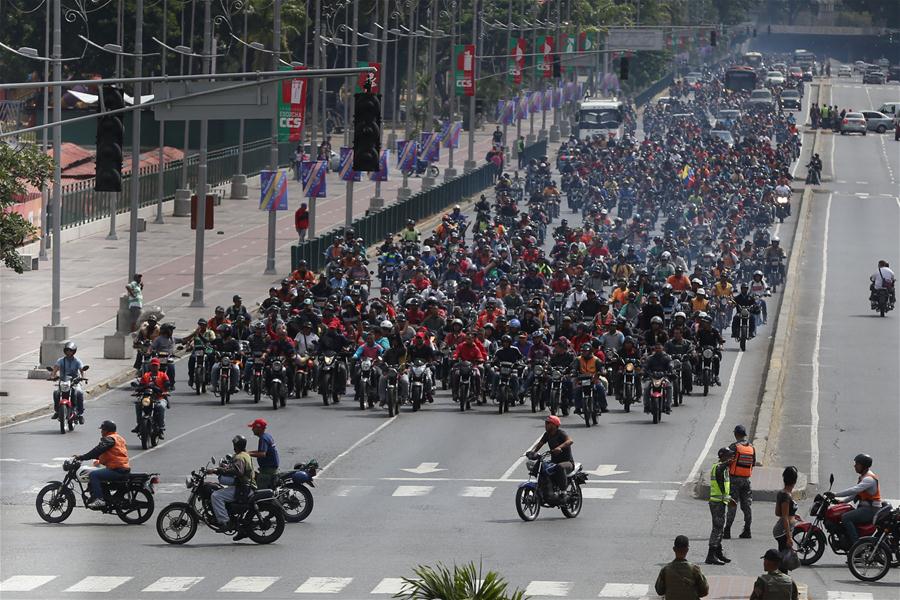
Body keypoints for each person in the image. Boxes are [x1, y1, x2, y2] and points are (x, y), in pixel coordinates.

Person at [208, 435, 256, 541]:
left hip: (243, 488)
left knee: (216, 496)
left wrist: (218, 471)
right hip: (244, 485)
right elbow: (235, 468)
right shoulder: (244, 454)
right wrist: (223, 468)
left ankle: (225, 522)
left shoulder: (240, 457)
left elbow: (238, 471)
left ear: (236, 445)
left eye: (234, 445)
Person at [827, 453, 882, 546]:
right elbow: (856, 494)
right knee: (845, 512)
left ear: (863, 466)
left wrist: (835, 494)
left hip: (871, 510)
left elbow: (854, 490)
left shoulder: (869, 479)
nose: (855, 466)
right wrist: (841, 501)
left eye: (857, 464)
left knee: (846, 517)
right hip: (865, 508)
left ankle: (856, 544)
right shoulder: (864, 477)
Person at [73, 420, 130, 509]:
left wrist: (82, 457)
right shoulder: (119, 438)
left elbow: (97, 450)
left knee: (94, 475)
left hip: (117, 469)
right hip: (122, 467)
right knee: (99, 474)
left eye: (102, 429)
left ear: (107, 430)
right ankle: (104, 495)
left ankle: (99, 499)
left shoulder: (109, 439)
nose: (101, 431)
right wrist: (99, 460)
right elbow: (115, 454)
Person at [529, 415, 574, 504]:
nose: (546, 425)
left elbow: (570, 441)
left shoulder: (561, 433)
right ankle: (543, 488)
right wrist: (533, 452)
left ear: (554, 425)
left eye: (548, 423)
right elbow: (540, 443)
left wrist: (559, 448)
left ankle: (563, 492)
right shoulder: (547, 435)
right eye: (546, 423)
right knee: (540, 466)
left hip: (567, 463)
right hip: (554, 462)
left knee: (559, 467)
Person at [654, 535, 710, 600]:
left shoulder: (665, 570)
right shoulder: (695, 569)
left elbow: (659, 591)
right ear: (687, 550)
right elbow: (704, 591)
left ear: (674, 549)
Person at [725, 424, 755, 540]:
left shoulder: (734, 447)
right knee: (747, 506)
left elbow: (726, 460)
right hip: (746, 481)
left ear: (736, 434)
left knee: (732, 505)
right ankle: (747, 530)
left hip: (734, 480)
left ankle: (727, 530)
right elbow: (753, 463)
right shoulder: (751, 447)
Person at [707, 447, 735, 565]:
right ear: (722, 456)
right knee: (717, 529)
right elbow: (719, 471)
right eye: (728, 456)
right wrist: (726, 463)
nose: (731, 457)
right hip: (717, 502)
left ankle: (718, 553)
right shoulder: (719, 467)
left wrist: (728, 498)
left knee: (719, 528)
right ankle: (711, 555)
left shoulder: (724, 468)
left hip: (721, 502)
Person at [133, 357, 169, 437]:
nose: (154, 367)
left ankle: (161, 427)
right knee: (138, 404)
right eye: (153, 366)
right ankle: (139, 424)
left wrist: (165, 389)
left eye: (156, 366)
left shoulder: (163, 375)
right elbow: (141, 385)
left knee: (160, 407)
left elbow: (167, 384)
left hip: (159, 398)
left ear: (159, 366)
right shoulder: (146, 375)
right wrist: (138, 389)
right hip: (147, 398)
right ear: (150, 366)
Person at [50, 341, 86, 421]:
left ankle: (79, 413)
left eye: (70, 350)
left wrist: (82, 377)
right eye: (67, 350)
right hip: (63, 381)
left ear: (74, 351)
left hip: (75, 382)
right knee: (56, 393)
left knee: (79, 392)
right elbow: (55, 369)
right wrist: (52, 376)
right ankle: (57, 411)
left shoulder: (77, 361)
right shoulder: (61, 360)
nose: (68, 352)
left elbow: (82, 370)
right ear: (64, 351)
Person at [774, 466, 799, 563]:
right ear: (795, 480)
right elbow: (784, 517)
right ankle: (781, 577)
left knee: (784, 558)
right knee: (784, 561)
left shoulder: (782, 493)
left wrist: (793, 515)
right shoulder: (786, 496)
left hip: (781, 530)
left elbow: (778, 513)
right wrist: (789, 537)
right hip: (783, 532)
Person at [247, 418, 279, 490]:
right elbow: (262, 451)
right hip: (272, 469)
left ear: (259, 428)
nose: (252, 429)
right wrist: (248, 453)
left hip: (267, 471)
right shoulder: (267, 436)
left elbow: (262, 454)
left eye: (254, 427)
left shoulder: (263, 439)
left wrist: (249, 454)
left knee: (260, 492)